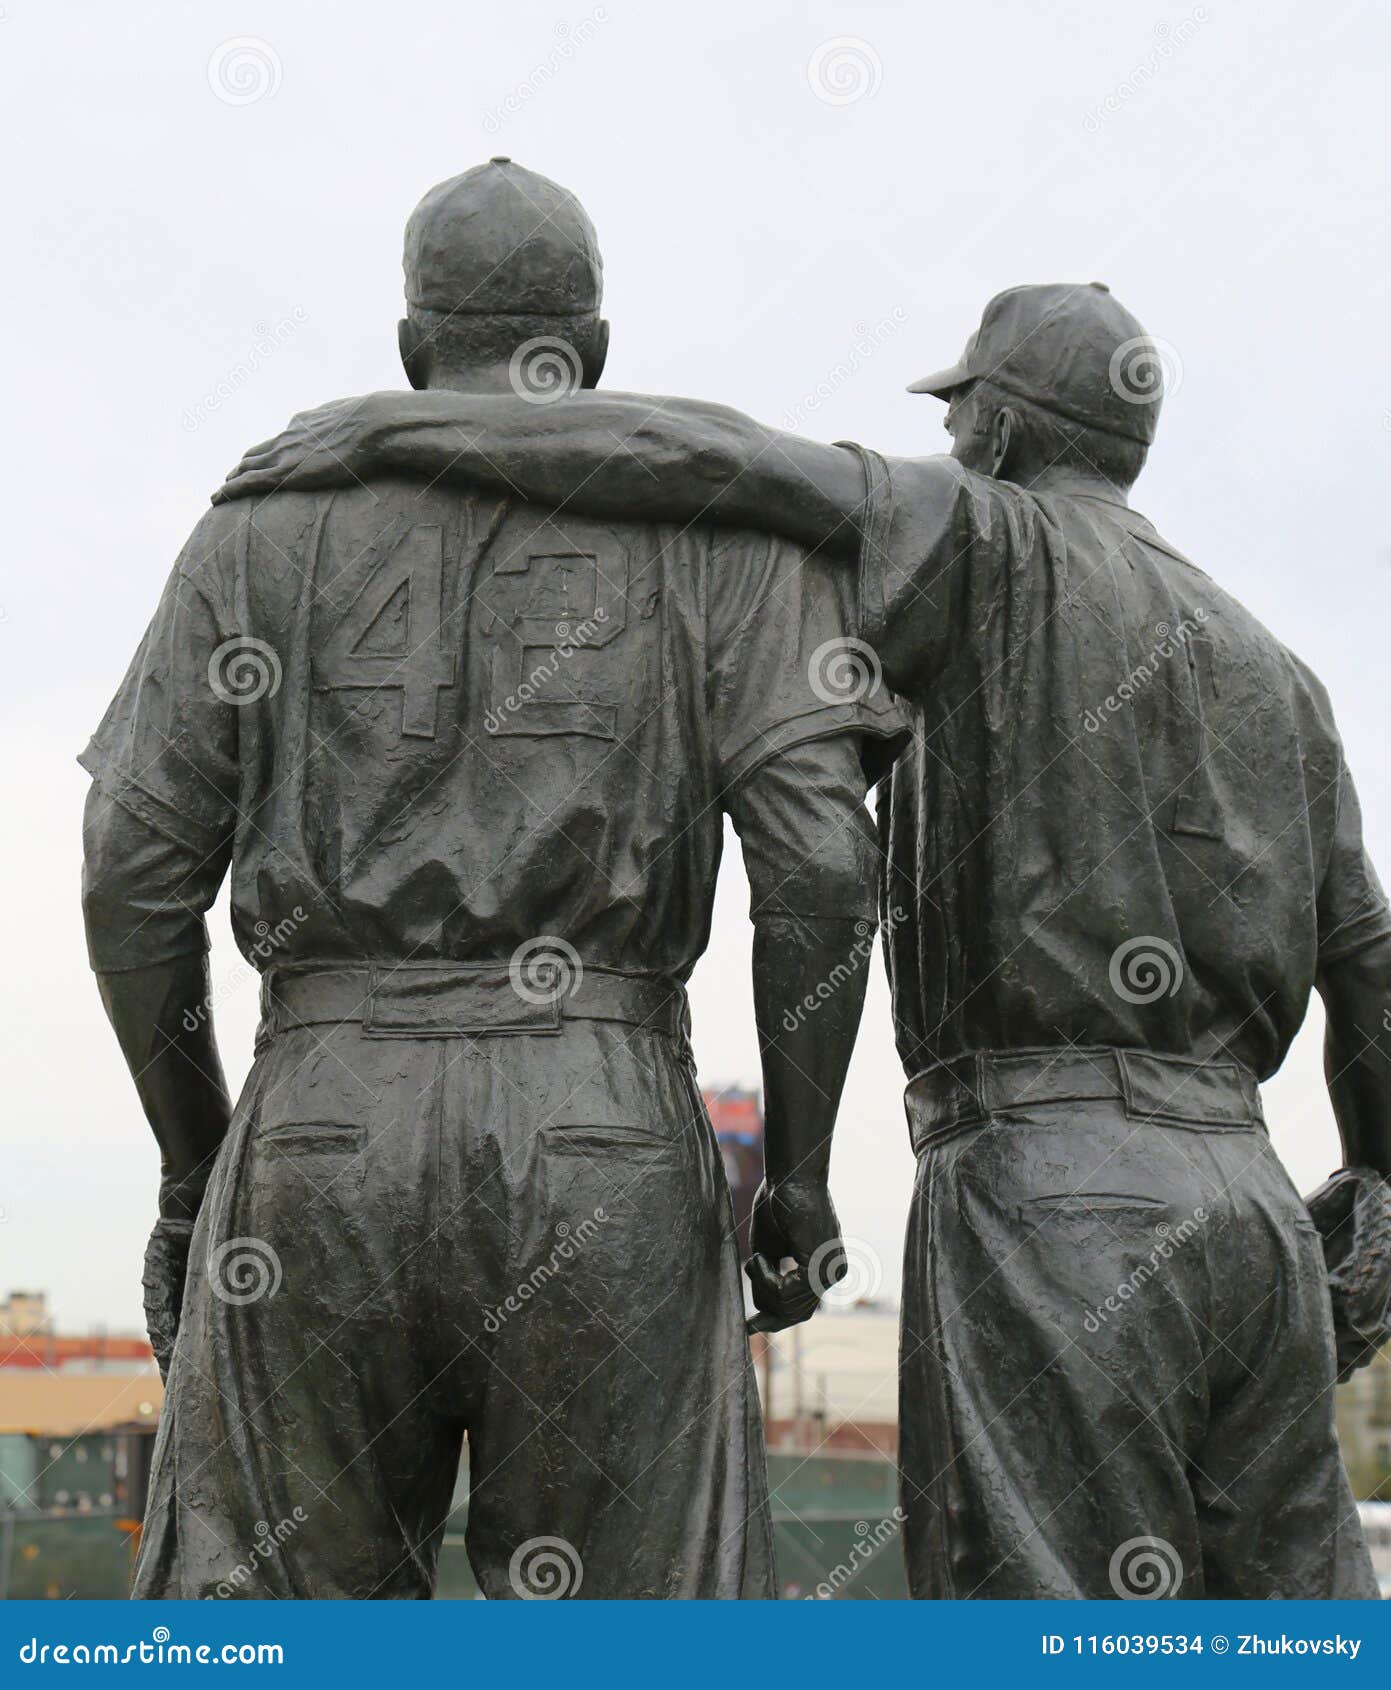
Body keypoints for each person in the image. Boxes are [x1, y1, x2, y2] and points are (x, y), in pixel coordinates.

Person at [221, 281, 1391, 1599]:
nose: (951, 444)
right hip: (1254, 1202)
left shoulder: (991, 536)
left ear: (999, 427)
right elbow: (1372, 965)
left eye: (960, 419)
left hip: (1053, 1193)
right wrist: (1382, 1189)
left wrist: (388, 434)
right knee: (1298, 1638)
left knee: (1049, 1637)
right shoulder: (1278, 667)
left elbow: (696, 457)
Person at [81, 160, 904, 1599]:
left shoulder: (259, 527)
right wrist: (802, 1167)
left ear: (413, 347)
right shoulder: (717, 534)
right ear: (589, 349)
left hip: (324, 1124)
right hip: (605, 1129)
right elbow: (824, 864)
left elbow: (127, 878)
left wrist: (193, 1155)